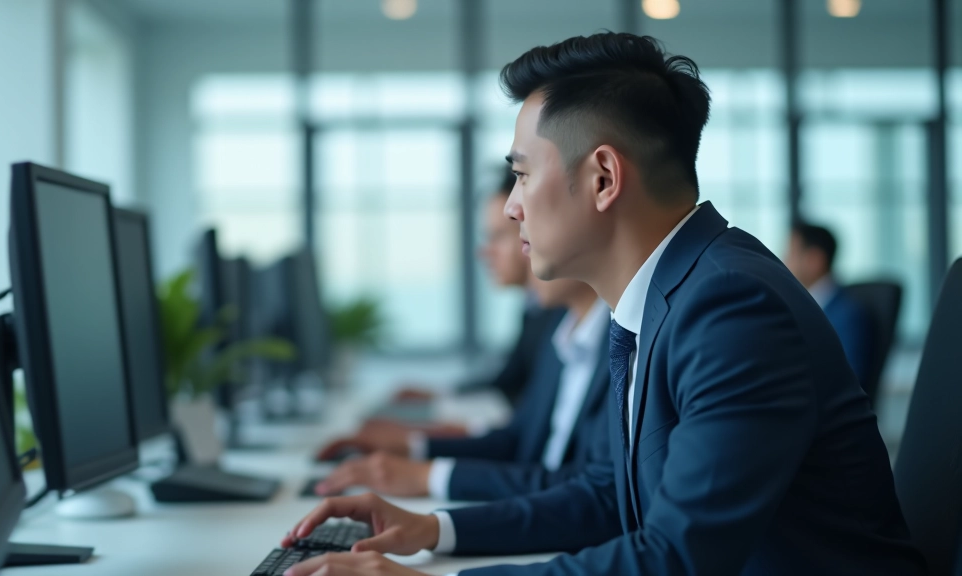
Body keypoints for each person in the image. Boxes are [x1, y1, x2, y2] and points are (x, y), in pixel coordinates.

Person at [281, 32, 925, 576]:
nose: (512, 206)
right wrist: (433, 530)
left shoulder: (731, 305)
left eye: (522, 174)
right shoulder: (667, 296)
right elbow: (608, 494)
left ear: (603, 178)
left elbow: (677, 557)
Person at [318, 173, 565, 459]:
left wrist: (421, 436)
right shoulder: (537, 309)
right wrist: (436, 405)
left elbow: (520, 418)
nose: (484, 252)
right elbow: (510, 387)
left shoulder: (557, 314)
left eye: (497, 236)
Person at [313, 276, 611, 502]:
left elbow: (589, 492)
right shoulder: (562, 329)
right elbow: (520, 438)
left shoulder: (613, 342)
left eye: (499, 236)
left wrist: (428, 478)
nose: (485, 250)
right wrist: (415, 447)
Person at [784, 221, 871, 382]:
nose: (785, 262)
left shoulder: (847, 315)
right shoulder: (801, 308)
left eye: (791, 254)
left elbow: (847, 380)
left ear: (815, 260)